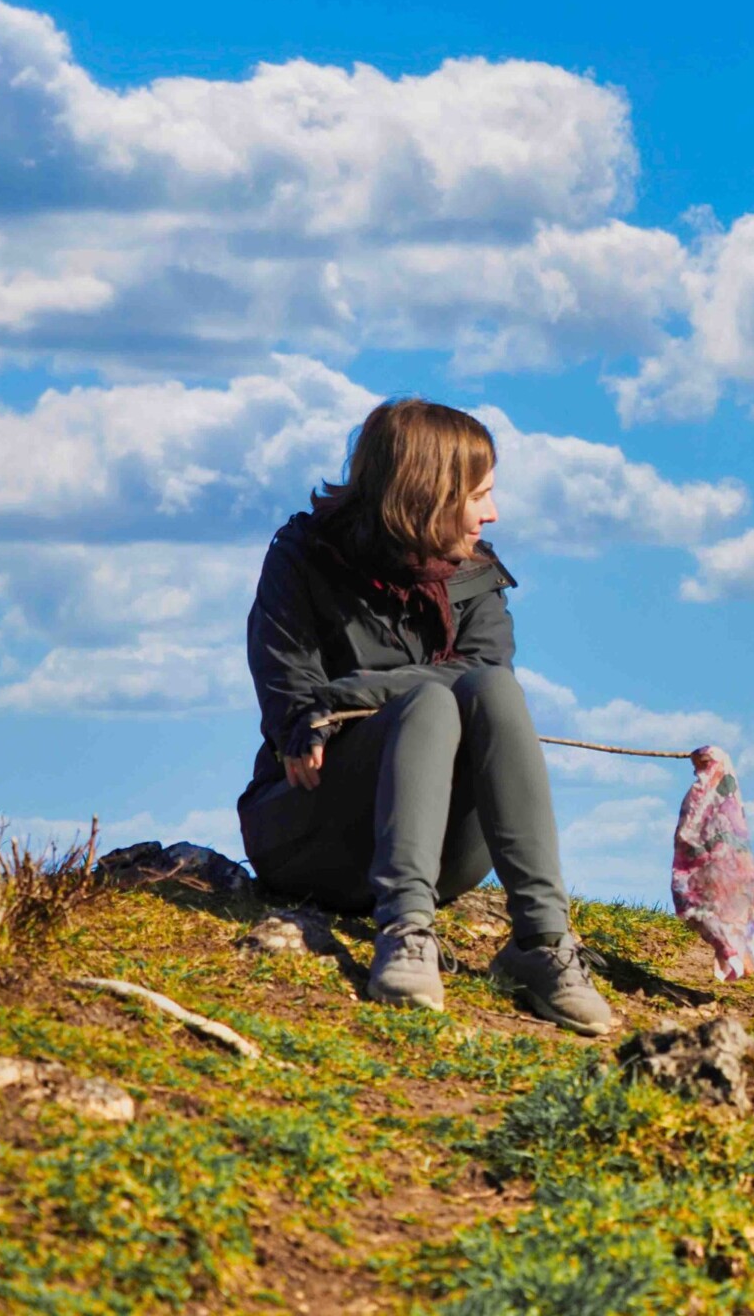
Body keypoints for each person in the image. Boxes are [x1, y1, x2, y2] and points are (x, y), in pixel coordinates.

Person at [236, 397, 616, 1035]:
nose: (491, 513)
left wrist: (349, 690)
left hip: (443, 851)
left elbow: (486, 669)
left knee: (493, 692)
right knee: (436, 699)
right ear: (425, 494)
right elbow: (289, 693)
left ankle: (543, 943)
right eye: (478, 495)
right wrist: (333, 707)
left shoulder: (476, 577)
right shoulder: (301, 557)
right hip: (313, 833)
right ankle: (406, 933)